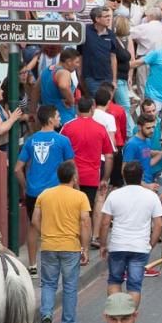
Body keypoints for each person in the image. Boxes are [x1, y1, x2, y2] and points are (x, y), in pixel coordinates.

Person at [15, 105, 76, 275]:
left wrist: (25, 186)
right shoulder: (63, 140)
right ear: (50, 120)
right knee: (58, 227)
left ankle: (33, 265)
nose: (59, 118)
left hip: (33, 191)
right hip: (55, 191)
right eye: (57, 115)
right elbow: (71, 166)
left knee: (33, 227)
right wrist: (75, 188)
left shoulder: (31, 140)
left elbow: (17, 169)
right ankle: (57, 265)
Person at [33, 161, 90, 323]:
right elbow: (85, 223)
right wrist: (85, 248)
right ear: (74, 177)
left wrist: (46, 233)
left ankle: (47, 314)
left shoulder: (44, 195)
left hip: (48, 245)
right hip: (70, 247)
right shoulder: (80, 197)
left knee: (49, 284)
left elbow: (35, 220)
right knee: (70, 287)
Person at [100, 162, 162, 307]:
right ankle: (129, 319)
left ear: (124, 176)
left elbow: (105, 223)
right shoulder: (151, 196)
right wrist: (150, 245)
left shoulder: (114, 195)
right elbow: (159, 224)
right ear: (141, 176)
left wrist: (103, 244)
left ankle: (115, 318)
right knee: (134, 286)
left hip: (117, 245)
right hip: (140, 247)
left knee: (115, 281)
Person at [61, 96, 116, 243]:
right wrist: (105, 178)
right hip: (92, 177)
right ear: (92, 109)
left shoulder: (67, 127)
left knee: (71, 210)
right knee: (86, 211)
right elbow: (109, 156)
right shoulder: (100, 129)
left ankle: (72, 239)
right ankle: (86, 243)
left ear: (77, 109)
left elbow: (60, 151)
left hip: (71, 176)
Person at [123, 113, 162, 190]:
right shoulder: (132, 144)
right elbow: (124, 171)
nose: (152, 130)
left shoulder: (147, 140)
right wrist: (146, 186)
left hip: (148, 184)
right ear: (139, 127)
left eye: (153, 127)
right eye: (148, 128)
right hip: (137, 188)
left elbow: (148, 163)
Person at [39, 46, 81, 126]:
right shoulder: (64, 72)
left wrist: (32, 111)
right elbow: (63, 86)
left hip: (47, 119)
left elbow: (35, 90)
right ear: (69, 62)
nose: (78, 65)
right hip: (64, 119)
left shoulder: (46, 70)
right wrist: (71, 100)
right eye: (77, 62)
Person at [81, 7, 118, 97]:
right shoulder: (85, 31)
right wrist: (80, 77)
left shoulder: (111, 34)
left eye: (109, 16)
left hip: (107, 77)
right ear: (97, 19)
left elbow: (113, 56)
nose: (109, 19)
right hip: (91, 77)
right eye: (106, 17)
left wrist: (114, 80)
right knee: (97, 103)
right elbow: (79, 55)